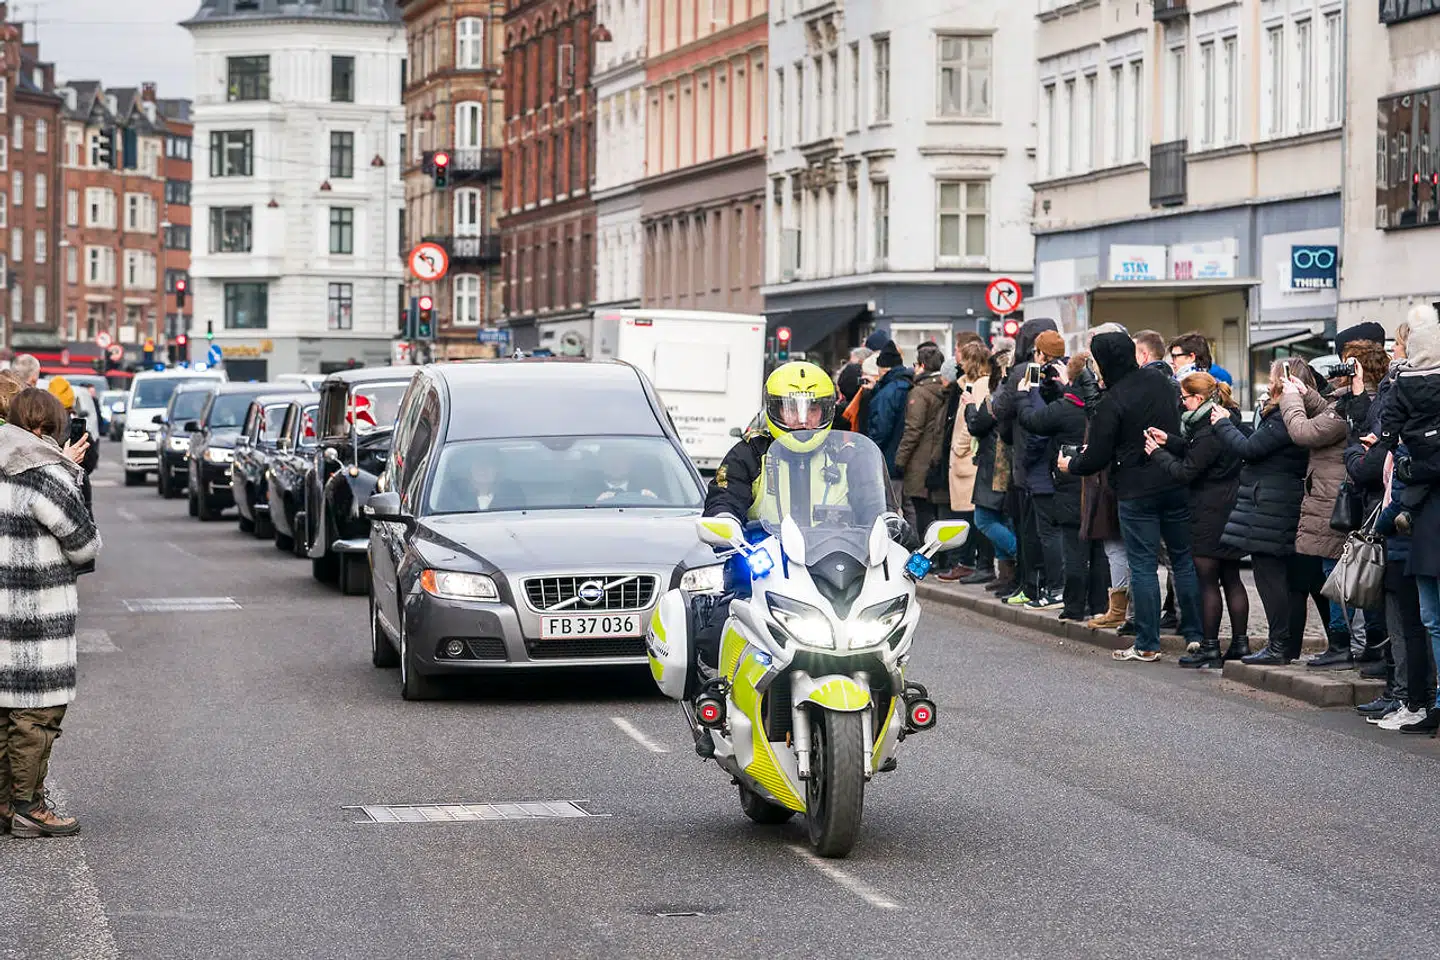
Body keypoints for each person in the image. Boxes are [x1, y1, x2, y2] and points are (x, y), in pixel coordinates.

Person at [1057, 330, 1204, 663]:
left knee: (1143, 566)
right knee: (1182, 560)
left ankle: (1148, 643)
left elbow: (1097, 456)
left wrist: (1070, 465)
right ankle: (1195, 635)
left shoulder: (1113, 400)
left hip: (1136, 491)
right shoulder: (1162, 384)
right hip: (1172, 479)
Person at [0, 388, 102, 838]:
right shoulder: (43, 475)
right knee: (37, 715)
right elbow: (84, 543)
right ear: (48, 428)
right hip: (37, 616)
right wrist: (69, 472)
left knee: (5, 713)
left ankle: (5, 805)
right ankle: (29, 807)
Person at [1210, 359, 1312, 665]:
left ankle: (1279, 646)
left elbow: (1250, 449)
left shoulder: (1283, 417)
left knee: (1271, 579)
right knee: (1291, 582)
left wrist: (1222, 424)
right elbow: (1256, 441)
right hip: (1280, 503)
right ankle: (1287, 646)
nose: (1267, 385)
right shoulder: (1289, 415)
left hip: (1271, 505)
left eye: (1271, 379)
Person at [1144, 372, 1248, 666]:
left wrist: (1157, 453)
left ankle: (1210, 646)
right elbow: (1199, 455)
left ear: (1198, 399)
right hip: (1231, 507)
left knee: (1207, 582)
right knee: (1232, 578)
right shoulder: (1226, 422)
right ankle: (1240, 644)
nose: (1182, 402)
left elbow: (1188, 471)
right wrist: (1173, 441)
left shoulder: (1206, 432)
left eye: (1185, 397)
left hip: (1208, 512)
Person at [1276, 362, 1359, 670]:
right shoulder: (1347, 402)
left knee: (1333, 571)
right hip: (1328, 495)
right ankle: (1341, 644)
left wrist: (1291, 399)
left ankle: (1341, 645)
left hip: (1333, 498)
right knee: (1329, 570)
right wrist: (1306, 393)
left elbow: (1305, 431)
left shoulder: (1354, 404)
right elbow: (1329, 412)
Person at [991, 319, 1061, 606]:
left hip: (1031, 460)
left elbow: (1005, 409)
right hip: (1057, 462)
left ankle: (1036, 586)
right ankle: (1044, 586)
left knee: (1033, 530)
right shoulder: (1060, 371)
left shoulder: (1025, 372)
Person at [1019, 350, 1093, 618]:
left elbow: (1032, 422)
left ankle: (1072, 605)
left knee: (1071, 546)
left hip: (1068, 483)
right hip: (1096, 486)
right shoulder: (1100, 403)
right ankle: (1098, 605)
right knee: (1097, 551)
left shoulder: (1065, 408)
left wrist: (1026, 394)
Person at [1378, 304, 1440, 534]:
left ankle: (1406, 511)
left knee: (1417, 478)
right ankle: (1407, 513)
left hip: (1416, 443)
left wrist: (1389, 441)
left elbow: (1391, 416)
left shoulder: (1402, 382)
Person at [939, 342, 993, 583]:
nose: (959, 364)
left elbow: (973, 422)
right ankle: (968, 561)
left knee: (972, 516)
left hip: (968, 458)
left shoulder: (981, 385)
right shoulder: (972, 384)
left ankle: (971, 563)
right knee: (969, 514)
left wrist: (958, 448)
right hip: (965, 458)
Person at [895, 344, 950, 538]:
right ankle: (942, 557)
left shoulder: (919, 393)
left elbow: (913, 429)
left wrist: (900, 459)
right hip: (938, 458)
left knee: (922, 511)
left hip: (919, 460)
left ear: (921, 365)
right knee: (937, 512)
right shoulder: (945, 389)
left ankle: (928, 553)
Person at [865, 341, 914, 524]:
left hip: (889, 459)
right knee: (910, 508)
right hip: (909, 458)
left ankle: (894, 544)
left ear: (882, 368)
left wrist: (869, 450)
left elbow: (880, 428)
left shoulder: (888, 392)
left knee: (890, 508)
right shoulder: (910, 384)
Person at [1167, 331, 1234, 385]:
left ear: (1191, 357)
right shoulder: (1214, 384)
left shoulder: (1185, 387)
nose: (1171, 361)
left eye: (1174, 356)